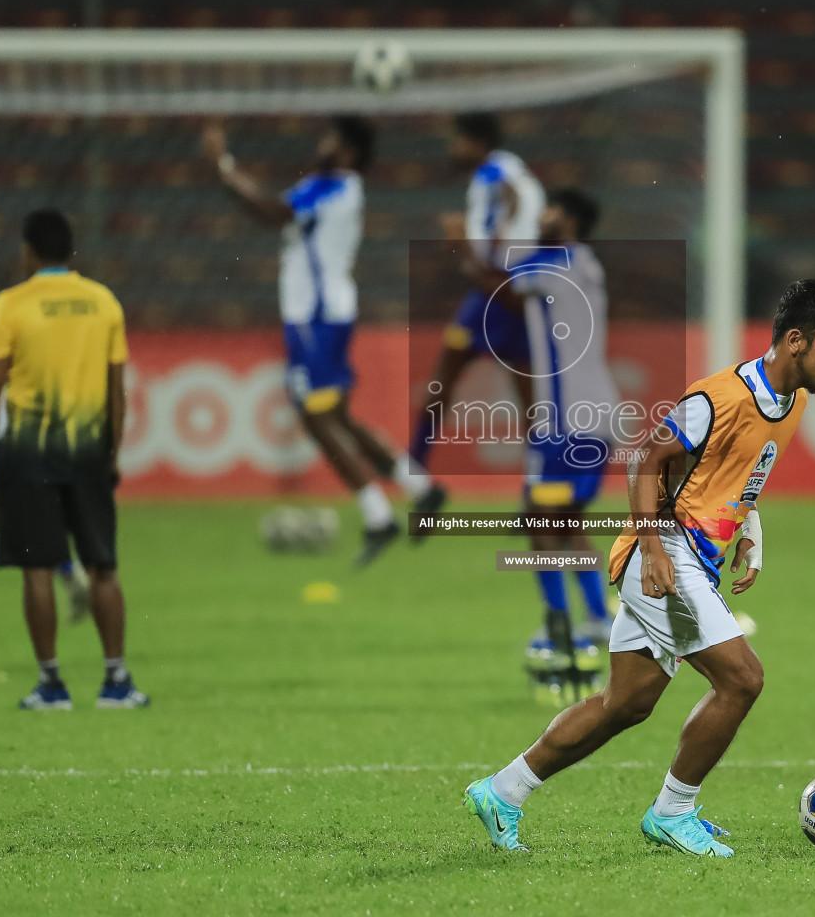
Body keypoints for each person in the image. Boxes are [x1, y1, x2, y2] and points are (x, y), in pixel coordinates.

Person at [465, 279, 815, 856]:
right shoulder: (719, 398)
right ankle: (672, 812)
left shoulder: (791, 400)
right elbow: (648, 459)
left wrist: (749, 529)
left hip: (694, 554)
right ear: (797, 341)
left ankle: (502, 791)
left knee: (624, 705)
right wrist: (650, 546)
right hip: (666, 554)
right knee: (743, 679)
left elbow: (737, 471)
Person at [202, 115, 438, 567]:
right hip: (319, 314)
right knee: (338, 417)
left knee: (314, 417)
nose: (322, 143)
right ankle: (420, 488)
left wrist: (223, 168)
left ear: (347, 151)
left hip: (316, 316)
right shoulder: (326, 186)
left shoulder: (333, 186)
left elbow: (274, 213)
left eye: (331, 138)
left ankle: (377, 516)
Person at [0, 209, 149, 710]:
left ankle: (51, 684)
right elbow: (117, 388)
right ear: (72, 252)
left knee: (38, 569)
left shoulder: (10, 305)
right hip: (89, 451)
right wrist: (114, 451)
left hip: (27, 453)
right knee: (103, 566)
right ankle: (116, 681)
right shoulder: (103, 304)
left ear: (28, 251)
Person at [465, 189, 620, 702]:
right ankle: (598, 619)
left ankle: (562, 622)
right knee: (564, 522)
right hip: (583, 414)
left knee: (538, 520)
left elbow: (499, 287)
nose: (542, 216)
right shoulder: (579, 263)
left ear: (570, 219)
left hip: (570, 418)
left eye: (550, 209)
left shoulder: (562, 261)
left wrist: (468, 245)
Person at [406, 113, 545, 521]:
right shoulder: (506, 171)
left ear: (477, 142)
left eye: (458, 141)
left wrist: (479, 242)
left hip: (501, 289)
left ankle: (415, 473)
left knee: (447, 383)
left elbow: (511, 201)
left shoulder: (495, 171)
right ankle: (532, 495)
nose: (452, 149)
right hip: (497, 290)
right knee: (522, 401)